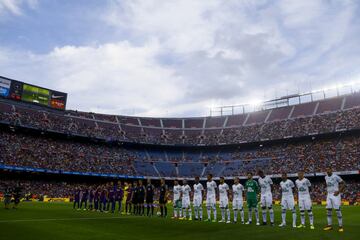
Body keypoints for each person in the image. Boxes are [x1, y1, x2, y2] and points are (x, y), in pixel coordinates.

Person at [323, 168, 345, 232]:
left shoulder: (336, 176)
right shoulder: (326, 177)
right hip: (329, 195)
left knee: (337, 211)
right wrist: (326, 190)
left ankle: (341, 226)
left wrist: (339, 191)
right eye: (326, 170)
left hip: (335, 195)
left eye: (328, 170)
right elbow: (328, 185)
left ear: (331, 170)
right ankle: (329, 226)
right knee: (328, 211)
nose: (327, 171)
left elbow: (344, 183)